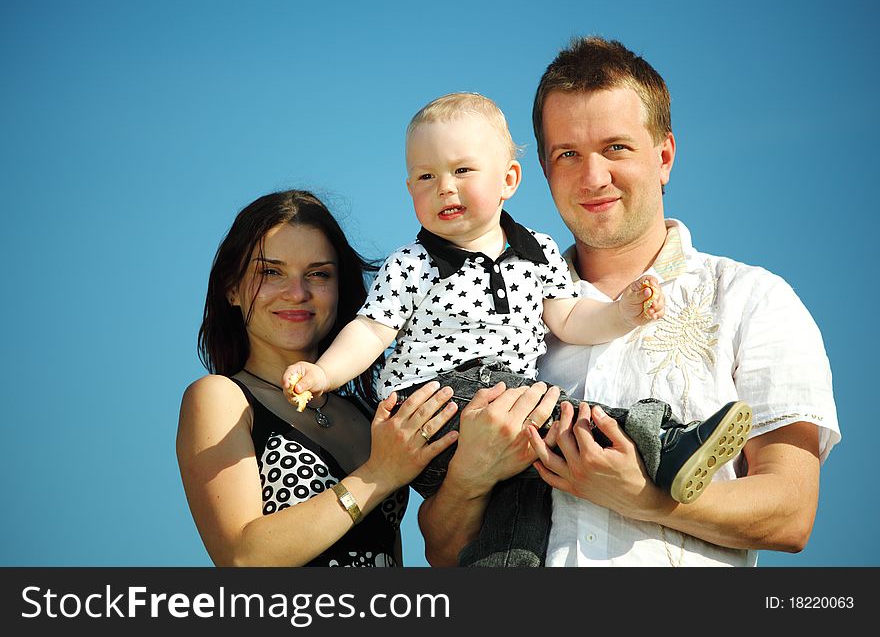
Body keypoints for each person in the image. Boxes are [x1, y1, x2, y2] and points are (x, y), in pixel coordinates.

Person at [418, 36, 840, 567]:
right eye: (567, 154)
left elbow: (790, 514)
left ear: (663, 156)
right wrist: (469, 479)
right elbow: (439, 549)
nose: (594, 178)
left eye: (615, 147)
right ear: (543, 173)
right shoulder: (495, 318)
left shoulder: (753, 300)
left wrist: (644, 498)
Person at [283, 93, 754, 565]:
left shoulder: (539, 252)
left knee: (526, 508)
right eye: (427, 177)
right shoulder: (414, 263)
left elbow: (570, 318)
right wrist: (322, 375)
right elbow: (370, 330)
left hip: (504, 407)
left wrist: (621, 314)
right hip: (435, 405)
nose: (445, 187)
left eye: (462, 171)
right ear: (410, 190)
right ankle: (664, 442)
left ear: (508, 179)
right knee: (561, 415)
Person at [176, 190, 458, 567]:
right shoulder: (220, 397)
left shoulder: (369, 411)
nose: (297, 293)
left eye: (318, 274)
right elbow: (242, 557)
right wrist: (379, 475)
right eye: (270, 272)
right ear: (232, 288)